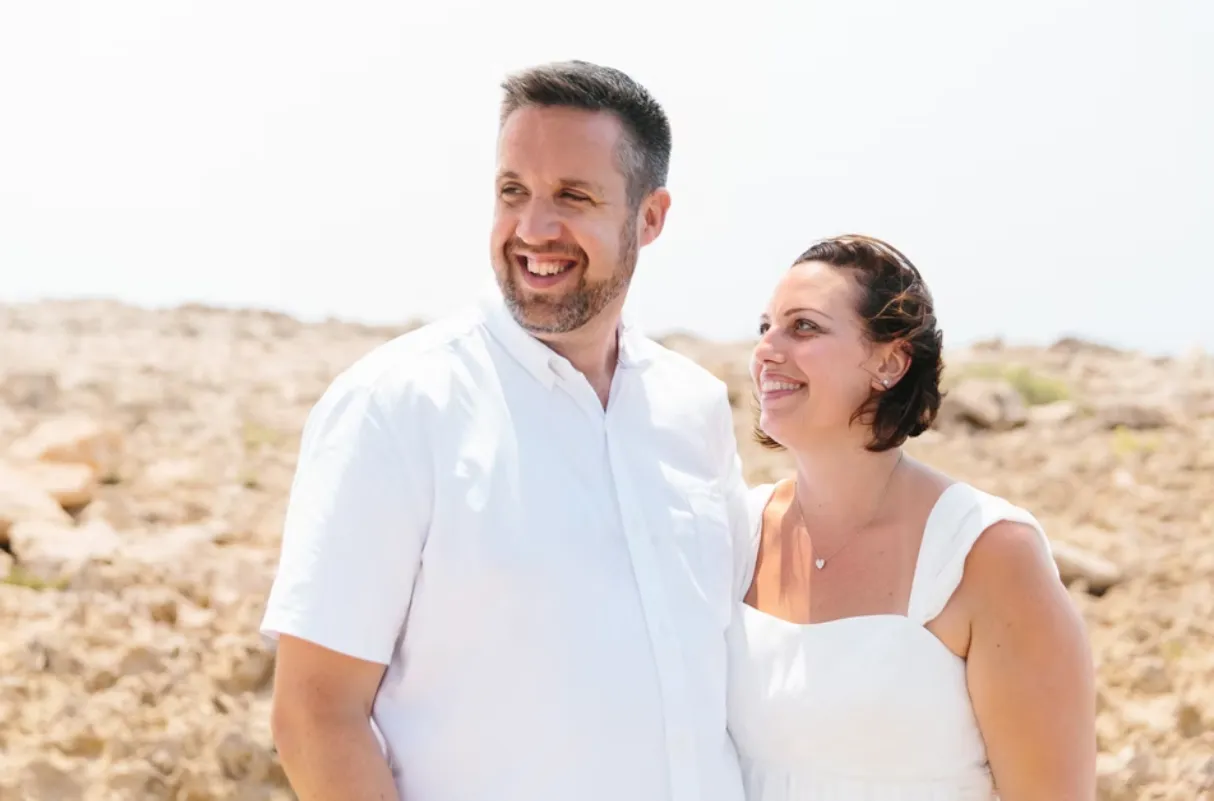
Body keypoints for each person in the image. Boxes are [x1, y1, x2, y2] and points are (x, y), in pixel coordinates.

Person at [259, 60, 750, 801]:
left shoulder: (696, 409)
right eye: (513, 191)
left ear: (650, 217)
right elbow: (315, 714)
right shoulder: (395, 406)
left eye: (573, 197)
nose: (533, 229)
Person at [728, 234, 1097, 800]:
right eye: (765, 327)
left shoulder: (988, 553)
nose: (766, 350)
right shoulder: (738, 532)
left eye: (803, 327)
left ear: (889, 362)